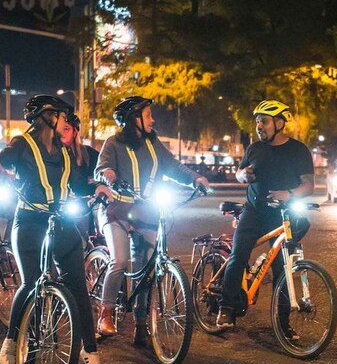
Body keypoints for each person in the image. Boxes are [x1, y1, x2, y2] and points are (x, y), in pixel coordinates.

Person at [0, 95, 112, 364]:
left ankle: (90, 351)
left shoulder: (65, 153)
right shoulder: (23, 144)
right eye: (63, 116)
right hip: (29, 220)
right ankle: (11, 339)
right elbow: (3, 158)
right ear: (48, 117)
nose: (67, 122)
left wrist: (97, 188)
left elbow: (77, 183)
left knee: (77, 286)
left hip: (60, 220)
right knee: (30, 283)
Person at [95, 95, 209, 346]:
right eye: (147, 115)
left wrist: (195, 179)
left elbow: (173, 167)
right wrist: (109, 174)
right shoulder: (113, 143)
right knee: (121, 260)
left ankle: (141, 321)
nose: (152, 119)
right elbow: (101, 169)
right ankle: (105, 313)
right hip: (117, 210)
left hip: (147, 210)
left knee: (147, 267)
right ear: (133, 119)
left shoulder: (153, 142)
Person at [216, 100, 314, 336]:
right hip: (254, 212)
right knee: (238, 255)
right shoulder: (254, 149)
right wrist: (242, 175)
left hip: (283, 215)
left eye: (264, 121)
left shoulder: (298, 150)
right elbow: (240, 173)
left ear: (279, 123)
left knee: (282, 268)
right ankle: (226, 308)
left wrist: (289, 194)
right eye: (257, 121)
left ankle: (283, 324)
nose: (259, 125)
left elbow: (309, 185)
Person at [60, 110, 100, 242]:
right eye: (60, 129)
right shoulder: (52, 154)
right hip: (60, 204)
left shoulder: (87, 153)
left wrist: (98, 186)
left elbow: (103, 168)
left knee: (87, 234)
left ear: (75, 131)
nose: (62, 132)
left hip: (83, 202)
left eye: (66, 129)